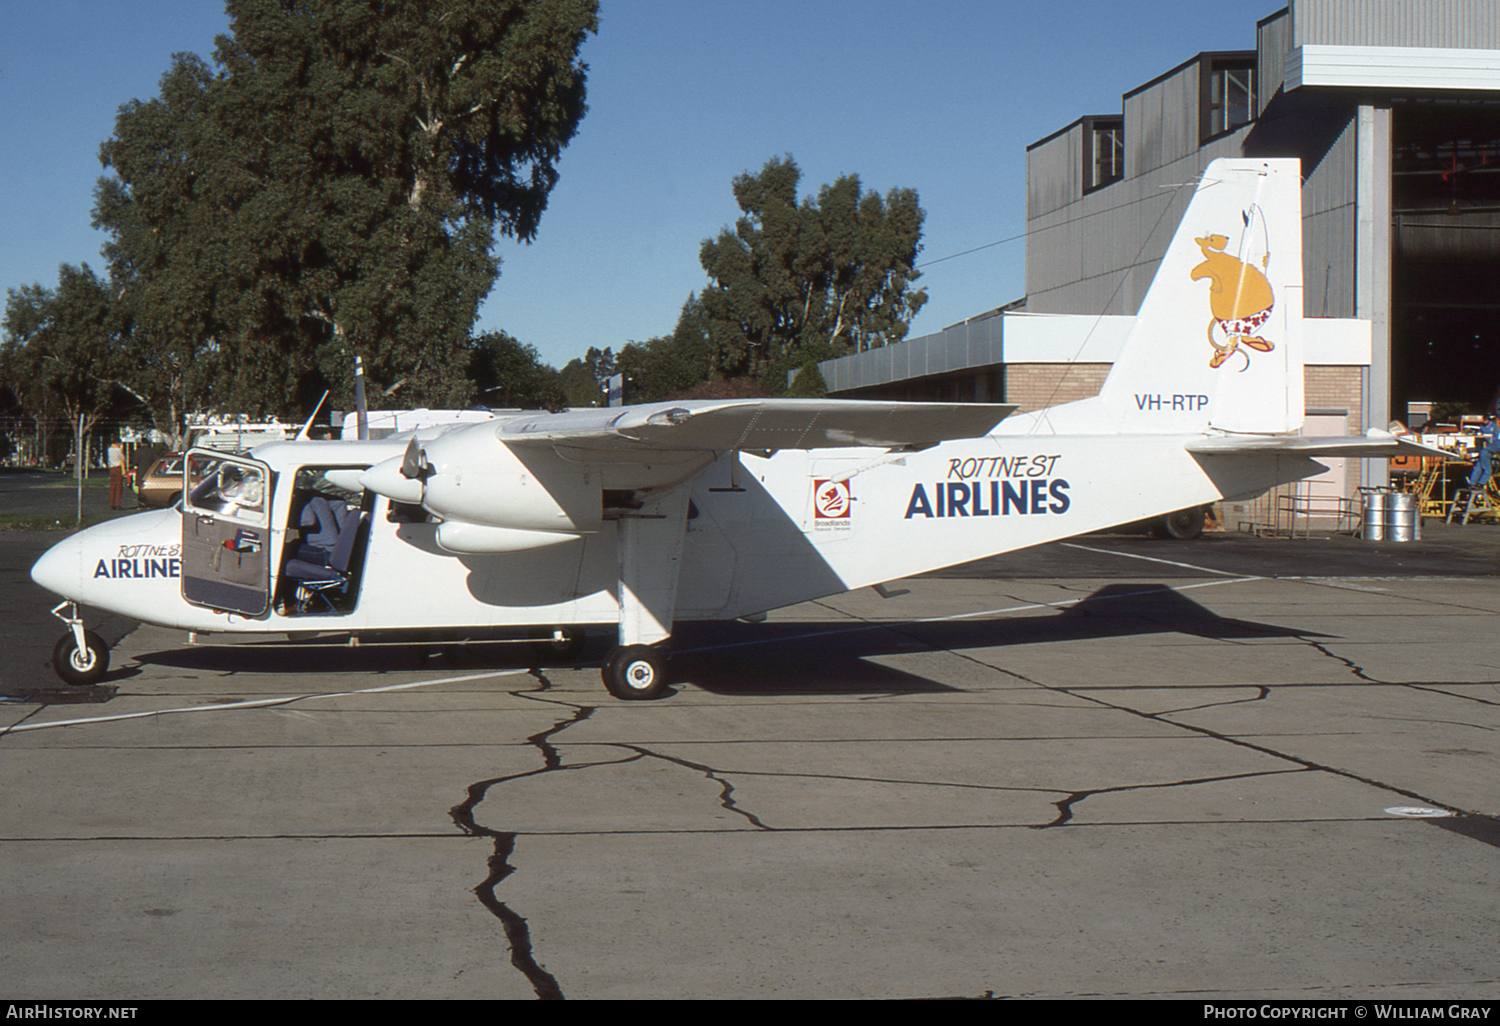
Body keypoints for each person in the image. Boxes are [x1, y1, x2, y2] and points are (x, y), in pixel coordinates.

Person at [1468, 414, 1500, 490]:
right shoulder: (1497, 443)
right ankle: (1480, 484)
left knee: (1478, 468)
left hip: (1484, 452)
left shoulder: (1493, 428)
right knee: (1488, 470)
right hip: (1485, 453)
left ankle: (1472, 484)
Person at [107, 440, 125, 510]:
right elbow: (122, 458)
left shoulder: (109, 449)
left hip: (111, 467)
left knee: (112, 486)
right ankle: (117, 503)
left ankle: (111, 503)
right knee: (119, 486)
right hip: (118, 467)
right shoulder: (118, 450)